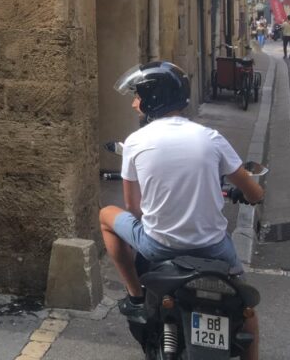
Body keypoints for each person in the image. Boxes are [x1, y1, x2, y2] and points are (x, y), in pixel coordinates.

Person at [99, 61, 265, 360]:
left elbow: (133, 208)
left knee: (106, 216)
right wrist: (255, 192)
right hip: (214, 249)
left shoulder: (135, 142)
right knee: (243, 307)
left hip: (159, 247)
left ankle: (135, 294)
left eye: (138, 96)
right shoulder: (211, 137)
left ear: (153, 99)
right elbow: (253, 191)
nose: (135, 103)